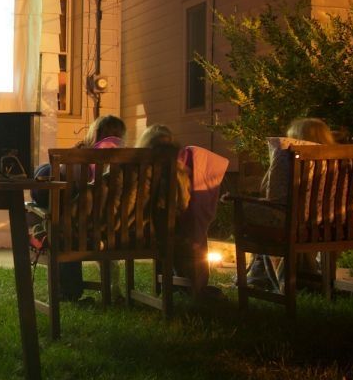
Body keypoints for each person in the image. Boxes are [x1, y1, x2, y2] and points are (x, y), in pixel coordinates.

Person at [28, 115, 127, 301]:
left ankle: (69, 292)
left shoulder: (83, 159)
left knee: (62, 226)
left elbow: (68, 194)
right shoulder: (131, 167)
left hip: (84, 228)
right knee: (46, 176)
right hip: (119, 227)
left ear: (94, 134)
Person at [136, 125, 230, 297]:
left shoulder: (139, 168)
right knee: (184, 233)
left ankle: (182, 284)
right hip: (167, 232)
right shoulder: (179, 168)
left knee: (178, 232)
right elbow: (183, 202)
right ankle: (192, 285)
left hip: (143, 230)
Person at [246, 117, 335, 289]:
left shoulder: (288, 157)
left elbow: (275, 199)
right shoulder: (337, 159)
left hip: (296, 224)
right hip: (327, 224)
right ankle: (299, 276)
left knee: (254, 213)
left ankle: (261, 277)